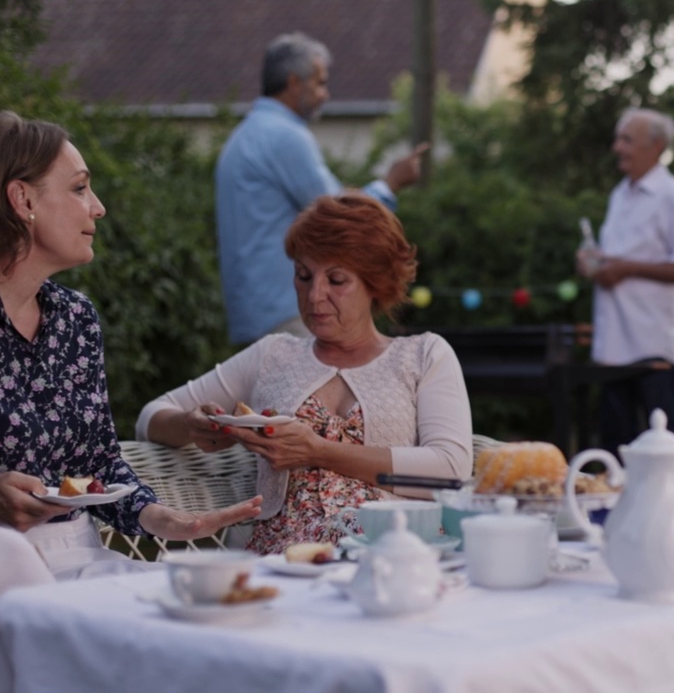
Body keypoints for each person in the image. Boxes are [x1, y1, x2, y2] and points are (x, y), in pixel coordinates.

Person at [0, 112, 262, 606]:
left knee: (195, 617)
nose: (99, 208)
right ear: (23, 200)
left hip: (81, 561)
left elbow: (98, 463)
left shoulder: (75, 318)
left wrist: (163, 519)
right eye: (80, 188)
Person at [138, 193, 473, 555]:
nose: (314, 296)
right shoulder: (274, 354)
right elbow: (149, 418)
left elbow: (451, 470)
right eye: (303, 275)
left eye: (337, 280)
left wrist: (319, 451)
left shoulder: (423, 355)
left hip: (391, 554)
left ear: (375, 282)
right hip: (283, 562)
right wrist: (191, 425)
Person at [216, 31, 430, 346]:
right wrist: (391, 183)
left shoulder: (244, 135)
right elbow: (340, 216)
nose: (325, 94)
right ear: (293, 82)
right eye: (319, 83)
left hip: (253, 313)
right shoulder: (285, 136)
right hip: (286, 313)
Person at [579, 107, 674, 451]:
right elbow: (616, 258)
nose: (617, 148)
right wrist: (593, 263)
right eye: (617, 139)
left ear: (657, 147)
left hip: (653, 349)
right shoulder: (619, 194)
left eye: (626, 140)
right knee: (613, 452)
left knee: (663, 454)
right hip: (612, 348)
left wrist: (625, 269)